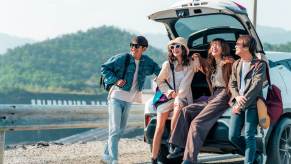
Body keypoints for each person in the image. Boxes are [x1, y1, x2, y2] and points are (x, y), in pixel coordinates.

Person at [167, 38, 233, 164]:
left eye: (217, 45)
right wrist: (196, 57)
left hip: (225, 94)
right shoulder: (211, 64)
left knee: (197, 123)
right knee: (186, 110)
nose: (214, 47)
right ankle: (178, 147)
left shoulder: (229, 62)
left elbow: (238, 65)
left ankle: (189, 160)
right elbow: (196, 56)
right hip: (213, 95)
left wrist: (232, 61)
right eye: (212, 45)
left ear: (223, 48)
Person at [101, 35, 161, 164]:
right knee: (115, 130)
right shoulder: (123, 58)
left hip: (129, 100)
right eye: (132, 45)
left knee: (118, 131)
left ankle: (106, 155)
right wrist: (116, 80)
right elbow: (105, 68)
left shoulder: (146, 61)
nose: (133, 48)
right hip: (116, 97)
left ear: (144, 48)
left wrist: (161, 79)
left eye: (136, 46)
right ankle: (114, 160)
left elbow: (159, 70)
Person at [150, 37, 199, 164]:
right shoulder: (167, 65)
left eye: (177, 46)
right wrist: (168, 92)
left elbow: (185, 85)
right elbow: (159, 81)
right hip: (168, 98)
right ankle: (153, 159)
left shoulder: (190, 65)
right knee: (159, 127)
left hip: (183, 98)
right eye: (172, 47)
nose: (174, 49)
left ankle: (173, 142)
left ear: (183, 48)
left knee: (178, 107)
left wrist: (197, 57)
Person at [228, 35, 267, 164]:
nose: (235, 46)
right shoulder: (236, 64)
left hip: (253, 104)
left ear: (246, 47)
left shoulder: (260, 65)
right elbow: (232, 83)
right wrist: (237, 97)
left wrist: (241, 104)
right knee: (233, 136)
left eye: (238, 44)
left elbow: (256, 87)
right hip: (238, 102)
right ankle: (253, 154)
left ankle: (248, 161)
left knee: (249, 135)